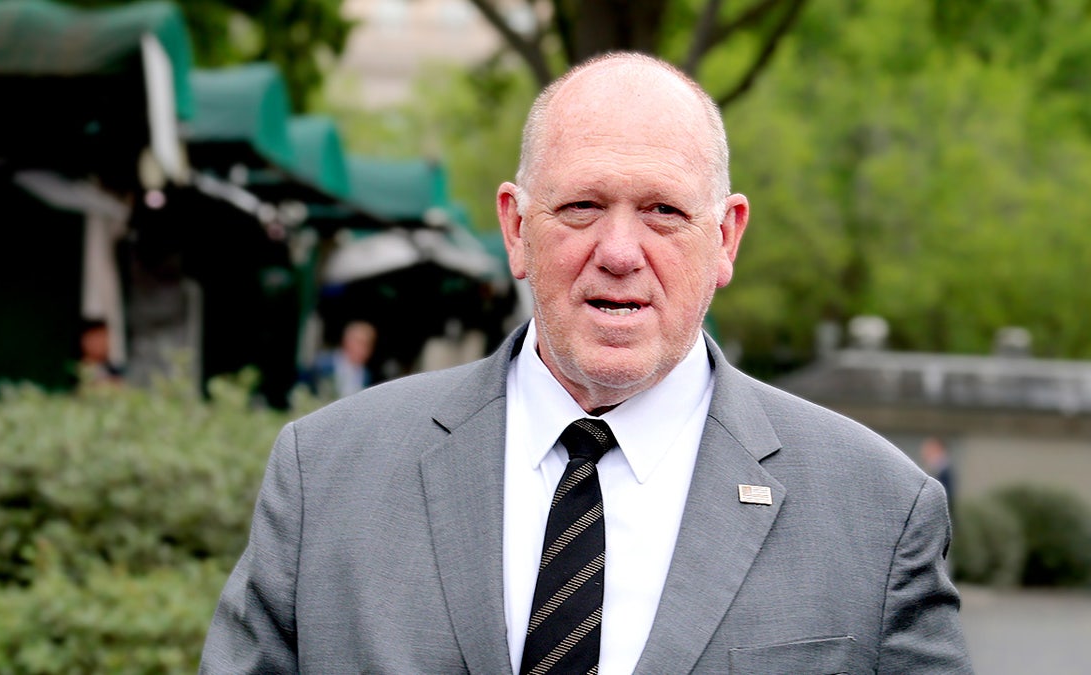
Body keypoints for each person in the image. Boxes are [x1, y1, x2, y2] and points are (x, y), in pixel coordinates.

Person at [200, 52, 971, 673]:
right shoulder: (327, 475)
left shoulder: (879, 514)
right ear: (516, 229)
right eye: (581, 207)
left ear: (726, 237)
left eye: (664, 211)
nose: (620, 252)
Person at [308, 319, 377, 399]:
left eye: (368, 345)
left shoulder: (366, 375)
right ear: (346, 341)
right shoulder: (323, 364)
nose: (363, 350)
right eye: (359, 343)